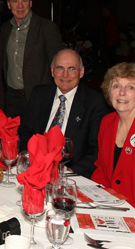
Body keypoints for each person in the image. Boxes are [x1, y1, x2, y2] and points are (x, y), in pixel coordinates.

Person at [18, 49, 110, 178]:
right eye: (60, 68)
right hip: (34, 168)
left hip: (70, 174)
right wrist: (28, 160)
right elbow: (25, 132)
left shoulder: (94, 102)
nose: (65, 75)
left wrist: (69, 172)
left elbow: (96, 149)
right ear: (52, 71)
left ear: (81, 72)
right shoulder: (39, 94)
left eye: (71, 69)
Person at [92, 62, 135, 226]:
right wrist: (94, 200)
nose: (122, 92)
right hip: (110, 212)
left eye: (131, 87)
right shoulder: (107, 122)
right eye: (116, 86)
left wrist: (128, 216)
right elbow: (101, 170)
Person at [2, 0, 63, 118]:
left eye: (24, 1)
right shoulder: (5, 29)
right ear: (8, 4)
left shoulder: (46, 28)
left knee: (37, 138)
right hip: (12, 98)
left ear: (30, 2)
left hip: (38, 98)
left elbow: (59, 65)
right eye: (15, 1)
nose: (20, 6)